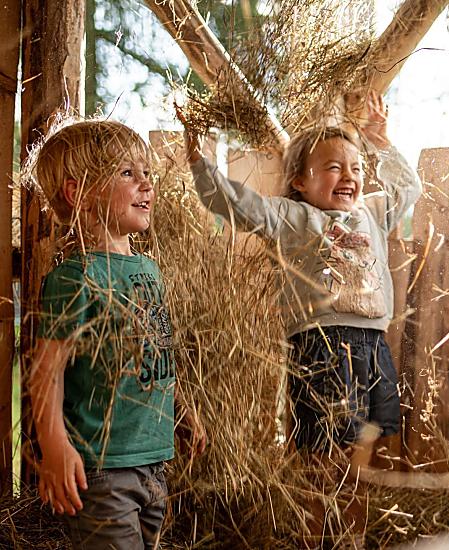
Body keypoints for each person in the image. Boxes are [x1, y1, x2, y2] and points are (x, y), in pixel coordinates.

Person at [182, 90, 421, 548]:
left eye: (356, 168)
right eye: (333, 167)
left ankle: (351, 539)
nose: (349, 176)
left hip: (371, 348)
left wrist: (380, 141)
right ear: (300, 181)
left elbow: (408, 187)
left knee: (360, 459)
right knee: (320, 459)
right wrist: (199, 162)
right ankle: (312, 537)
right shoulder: (293, 217)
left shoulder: (372, 212)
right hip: (321, 349)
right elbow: (235, 203)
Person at [28, 118, 207, 550]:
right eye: (128, 173)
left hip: (154, 462)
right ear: (79, 193)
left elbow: (156, 350)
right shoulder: (77, 278)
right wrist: (55, 446)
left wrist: (181, 410)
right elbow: (46, 373)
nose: (146, 184)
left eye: (147, 172)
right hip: (102, 468)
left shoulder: (148, 270)